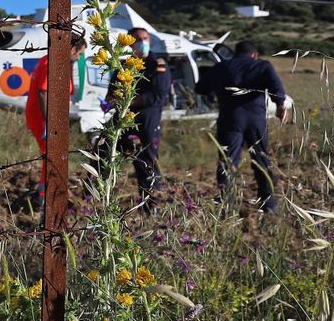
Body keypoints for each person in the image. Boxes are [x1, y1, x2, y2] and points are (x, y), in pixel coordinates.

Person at [194, 40, 290, 213]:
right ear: (255, 55)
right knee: (261, 160)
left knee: (228, 161)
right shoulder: (262, 66)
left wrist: (216, 91)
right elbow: (276, 86)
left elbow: (200, 88)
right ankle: (268, 203)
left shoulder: (221, 67)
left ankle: (227, 202)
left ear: (234, 53)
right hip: (256, 120)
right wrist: (280, 105)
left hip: (229, 119)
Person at [23, 31, 87, 207]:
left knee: (50, 154)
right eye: (80, 53)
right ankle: (43, 196)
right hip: (42, 119)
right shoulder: (54, 64)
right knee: (52, 154)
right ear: (72, 49)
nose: (79, 58)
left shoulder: (49, 60)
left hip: (39, 117)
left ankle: (45, 192)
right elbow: (43, 92)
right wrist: (50, 123)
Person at [115, 27, 171, 211]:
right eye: (138, 39)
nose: (143, 42)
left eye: (145, 38)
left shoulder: (158, 64)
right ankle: (89, 200)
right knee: (104, 153)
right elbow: (113, 89)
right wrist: (111, 100)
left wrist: (130, 100)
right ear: (129, 42)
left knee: (147, 162)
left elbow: (159, 96)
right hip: (123, 119)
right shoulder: (123, 65)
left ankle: (152, 204)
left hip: (147, 119)